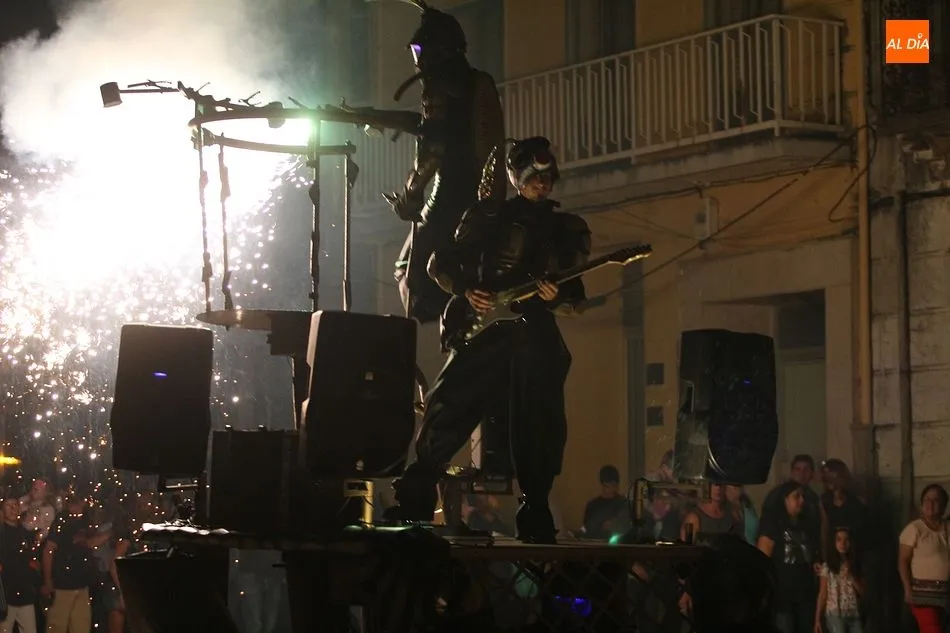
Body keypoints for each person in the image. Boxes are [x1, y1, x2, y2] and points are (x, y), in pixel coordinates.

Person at [384, 137, 590, 544]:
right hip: (485, 328)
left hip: (533, 332)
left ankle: (535, 509)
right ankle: (415, 495)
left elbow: (576, 299)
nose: (541, 183)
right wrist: (466, 290)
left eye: (547, 177)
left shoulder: (567, 229)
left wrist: (556, 297)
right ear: (517, 177)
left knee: (540, 421)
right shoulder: (488, 217)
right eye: (533, 176)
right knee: (450, 403)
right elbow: (440, 264)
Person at [384, 1, 506, 324]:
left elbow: (433, 149)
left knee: (407, 272)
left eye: (420, 49)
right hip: (482, 203)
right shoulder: (480, 81)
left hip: (448, 196)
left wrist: (410, 195)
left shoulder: (437, 88)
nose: (418, 57)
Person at [756, 480, 820, 633]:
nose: (801, 500)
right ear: (785, 500)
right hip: (783, 595)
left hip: (805, 592)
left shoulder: (806, 523)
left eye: (802, 496)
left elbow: (811, 552)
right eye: (796, 496)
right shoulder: (773, 524)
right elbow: (762, 560)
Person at [898, 484, 950, 633]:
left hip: (944, 596)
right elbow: (903, 561)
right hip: (922, 596)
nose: (930, 503)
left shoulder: (947, 528)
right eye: (926, 499)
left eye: (935, 500)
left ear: (943, 506)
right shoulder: (914, 529)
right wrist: (907, 588)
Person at [816, 527, 864, 633]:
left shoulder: (855, 564)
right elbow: (822, 594)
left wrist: (851, 576)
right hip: (835, 614)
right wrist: (817, 619)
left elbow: (863, 592)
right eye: (839, 539)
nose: (843, 543)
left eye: (846, 540)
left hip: (853, 613)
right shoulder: (827, 567)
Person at [582, 465, 630, 541]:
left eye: (614, 486)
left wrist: (615, 525)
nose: (611, 489)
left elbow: (628, 527)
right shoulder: (592, 506)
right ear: (602, 485)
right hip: (596, 543)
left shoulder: (624, 503)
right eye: (607, 486)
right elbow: (587, 529)